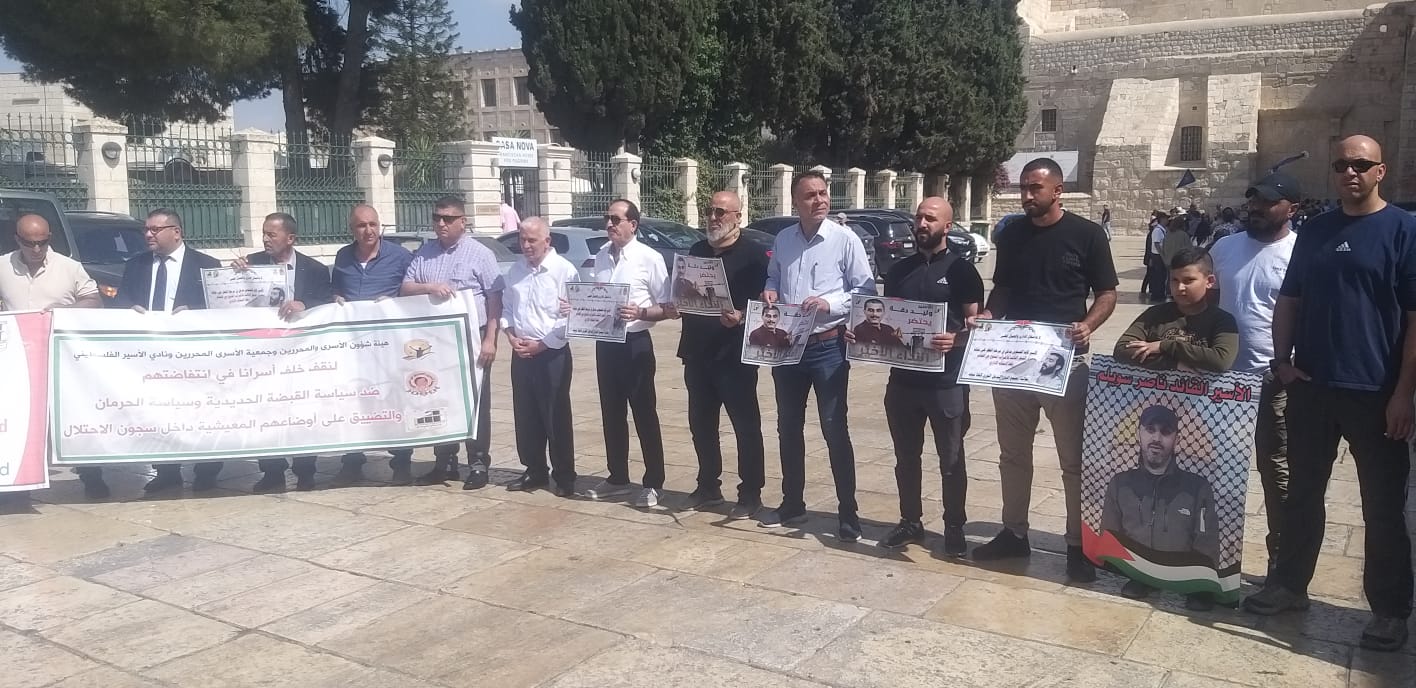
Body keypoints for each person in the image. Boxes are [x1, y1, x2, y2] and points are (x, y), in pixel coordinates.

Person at [1244, 135, 1416, 652]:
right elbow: (1289, 300)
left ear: (1380, 171)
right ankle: (1289, 586)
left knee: (1382, 508)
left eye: (1361, 164)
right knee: (1301, 495)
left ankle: (1389, 611)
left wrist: (1404, 393)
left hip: (1375, 393)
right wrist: (1282, 362)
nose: (1350, 172)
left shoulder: (1403, 230)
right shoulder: (1316, 231)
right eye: (1341, 164)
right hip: (1313, 389)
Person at [973, 157, 1118, 583]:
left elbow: (1107, 293)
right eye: (1023, 187)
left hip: (1064, 361)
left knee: (1073, 459)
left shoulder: (1087, 235)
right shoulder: (1012, 234)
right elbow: (1003, 287)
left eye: (1034, 188)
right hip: (1014, 361)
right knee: (1012, 455)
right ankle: (1014, 533)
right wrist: (989, 314)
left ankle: (1077, 545)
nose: (1026, 196)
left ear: (1058, 190)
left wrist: (1088, 325)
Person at [859, 197, 984, 557]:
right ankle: (910, 521)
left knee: (951, 459)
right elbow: (886, 321)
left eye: (930, 218)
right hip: (903, 383)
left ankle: (954, 526)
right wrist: (862, 337)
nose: (922, 224)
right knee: (906, 457)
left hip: (947, 383)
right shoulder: (899, 271)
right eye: (919, 217)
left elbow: (977, 326)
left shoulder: (962, 271)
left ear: (947, 226)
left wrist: (956, 339)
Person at [761, 171, 875, 541]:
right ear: (796, 202)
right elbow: (773, 276)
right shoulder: (784, 239)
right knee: (788, 426)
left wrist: (830, 303)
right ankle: (792, 503)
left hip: (828, 346)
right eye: (810, 195)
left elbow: (865, 290)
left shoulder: (844, 239)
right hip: (789, 346)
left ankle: (848, 513)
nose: (819, 200)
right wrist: (770, 291)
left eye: (823, 193)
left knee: (833, 427)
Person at [79, 208, 222, 497]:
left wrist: (195, 313)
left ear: (176, 232)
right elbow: (122, 303)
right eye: (146, 229)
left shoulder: (206, 265)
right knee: (158, 413)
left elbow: (220, 310)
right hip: (150, 357)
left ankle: (207, 470)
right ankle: (167, 471)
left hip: (193, 356)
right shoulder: (137, 265)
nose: (147, 235)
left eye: (155, 230)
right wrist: (129, 310)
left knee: (200, 413)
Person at [1210, 173, 1300, 571]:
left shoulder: (1300, 253)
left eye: (1267, 202)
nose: (1256, 208)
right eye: (1253, 201)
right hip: (1222, 378)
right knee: (1213, 468)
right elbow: (1206, 304)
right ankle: (1206, 557)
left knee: (1276, 469)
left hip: (1272, 380)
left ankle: (1281, 560)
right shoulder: (1224, 248)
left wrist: (1290, 367)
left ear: (1292, 209)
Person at [677, 191, 770, 517]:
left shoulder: (755, 256)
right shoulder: (697, 251)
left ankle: (750, 494)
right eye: (710, 211)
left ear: (737, 217)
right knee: (701, 425)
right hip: (697, 352)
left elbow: (767, 305)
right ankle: (708, 486)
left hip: (734, 356)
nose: (713, 217)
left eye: (721, 212)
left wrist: (742, 316)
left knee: (745, 427)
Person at [401, 195, 504, 490]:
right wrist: (429, 287)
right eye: (437, 218)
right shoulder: (425, 253)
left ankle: (478, 463)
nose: (441, 224)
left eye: (448, 218)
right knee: (438, 397)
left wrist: (490, 339)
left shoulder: (480, 254)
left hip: (473, 336)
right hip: (436, 340)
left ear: (463, 221)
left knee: (475, 401)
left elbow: (495, 297)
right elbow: (406, 287)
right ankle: (444, 462)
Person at [0, 213, 100, 503]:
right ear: (17, 240)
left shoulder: (69, 267)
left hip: (61, 358)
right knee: (23, 418)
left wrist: (65, 311)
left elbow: (94, 300)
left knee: (73, 416)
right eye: (29, 243)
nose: (36, 249)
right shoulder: (3, 266)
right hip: (20, 359)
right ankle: (21, 483)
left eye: (42, 243)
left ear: (49, 239)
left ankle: (92, 475)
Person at [580, 199, 674, 507]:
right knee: (611, 413)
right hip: (606, 345)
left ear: (632, 224)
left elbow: (669, 307)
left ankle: (654, 482)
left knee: (644, 414)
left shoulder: (649, 258)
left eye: (616, 219)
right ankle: (617, 477)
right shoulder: (600, 256)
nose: (609, 224)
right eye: (607, 218)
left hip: (636, 344)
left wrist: (641, 312)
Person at [234, 213, 334, 493]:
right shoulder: (251, 263)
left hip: (301, 354)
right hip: (263, 354)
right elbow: (230, 296)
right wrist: (233, 275)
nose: (265, 239)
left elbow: (325, 301)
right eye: (264, 234)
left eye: (272, 234)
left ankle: (305, 471)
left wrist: (304, 304)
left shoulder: (314, 269)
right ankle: (272, 471)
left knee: (303, 410)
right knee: (264, 412)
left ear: (290, 238)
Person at [1100, 405, 1221, 609]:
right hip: (1136, 568)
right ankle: (1142, 580)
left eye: (1165, 432)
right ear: (1139, 433)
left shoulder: (1197, 487)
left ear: (1176, 439)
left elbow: (1207, 540)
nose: (1156, 438)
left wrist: (1202, 582)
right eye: (1150, 429)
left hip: (1184, 573)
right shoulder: (1120, 484)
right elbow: (1109, 536)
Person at [331, 205, 417, 485]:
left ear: (380, 226)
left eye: (373, 224)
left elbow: (413, 292)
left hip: (388, 345)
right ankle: (352, 461)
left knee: (395, 399)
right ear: (351, 229)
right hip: (352, 346)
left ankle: (401, 462)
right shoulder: (343, 256)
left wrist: (394, 303)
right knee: (352, 400)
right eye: (361, 225)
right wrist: (336, 299)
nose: (368, 231)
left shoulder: (400, 256)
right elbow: (336, 289)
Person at [501, 217, 579, 497]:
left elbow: (571, 317)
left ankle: (564, 475)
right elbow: (507, 309)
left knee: (555, 415)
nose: (526, 245)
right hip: (521, 352)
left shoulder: (564, 271)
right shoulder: (515, 271)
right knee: (526, 415)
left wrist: (542, 345)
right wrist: (511, 335)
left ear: (547, 241)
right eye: (522, 239)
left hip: (551, 353)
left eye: (532, 240)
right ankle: (534, 470)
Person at [1114, 247, 1238, 373]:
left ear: (1209, 281)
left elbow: (1221, 360)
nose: (1179, 288)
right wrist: (1171, 363)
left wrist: (1165, 346)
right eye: (1174, 280)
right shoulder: (1154, 314)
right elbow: (1122, 349)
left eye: (1188, 281)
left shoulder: (1222, 321)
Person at [1145, 211, 1168, 303]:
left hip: (1159, 255)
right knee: (1158, 276)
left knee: (1161, 276)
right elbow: (1157, 244)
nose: (1167, 220)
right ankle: (1157, 295)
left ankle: (1160, 293)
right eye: (1166, 219)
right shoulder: (1158, 230)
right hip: (1157, 256)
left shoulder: (1162, 229)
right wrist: (1163, 255)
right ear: (1162, 219)